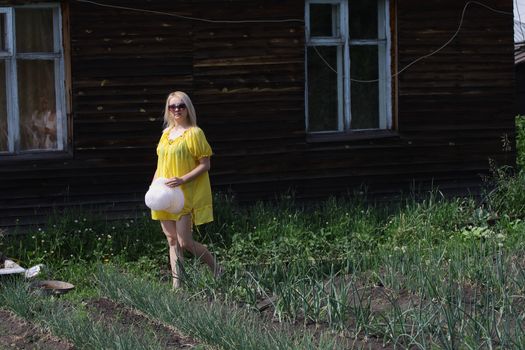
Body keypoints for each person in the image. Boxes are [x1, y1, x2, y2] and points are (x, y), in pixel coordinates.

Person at [151, 91, 221, 289]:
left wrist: (182, 179)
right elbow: (160, 164)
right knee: (171, 239)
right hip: (163, 193)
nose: (176, 110)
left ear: (187, 108)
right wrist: (153, 187)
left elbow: (205, 164)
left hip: (184, 193)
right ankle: (177, 285)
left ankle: (216, 269)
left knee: (185, 242)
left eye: (180, 105)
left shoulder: (194, 133)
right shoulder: (165, 134)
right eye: (172, 106)